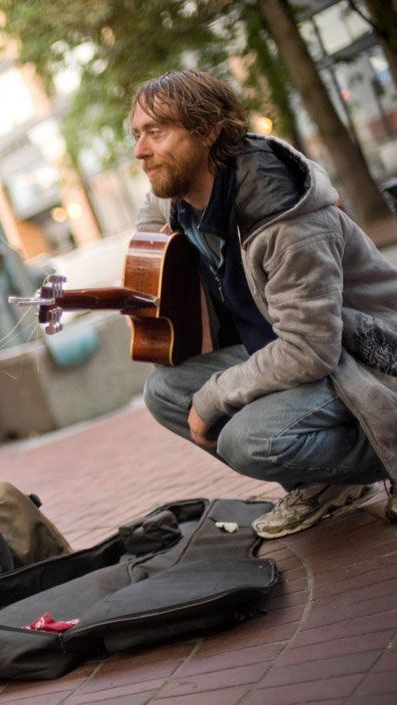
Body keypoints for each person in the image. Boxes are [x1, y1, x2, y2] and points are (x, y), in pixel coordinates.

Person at [132, 70, 397, 538]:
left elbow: (310, 349)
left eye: (157, 131)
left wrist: (215, 396)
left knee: (249, 440)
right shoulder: (186, 195)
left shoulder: (284, 216)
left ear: (209, 128)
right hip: (289, 354)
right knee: (165, 390)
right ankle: (326, 486)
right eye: (137, 135)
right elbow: (149, 221)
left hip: (361, 355)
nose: (141, 150)